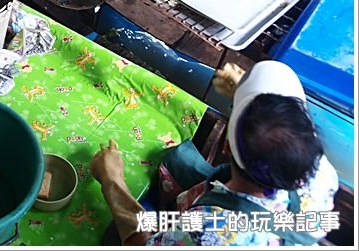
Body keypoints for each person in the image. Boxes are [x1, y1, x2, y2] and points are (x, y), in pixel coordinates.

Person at [90, 60, 339, 246]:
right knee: (178, 160)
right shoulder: (317, 167)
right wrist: (243, 92)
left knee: (114, 233)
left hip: (230, 231)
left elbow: (142, 245)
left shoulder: (209, 231)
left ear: (226, 146)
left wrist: (113, 181)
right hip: (266, 218)